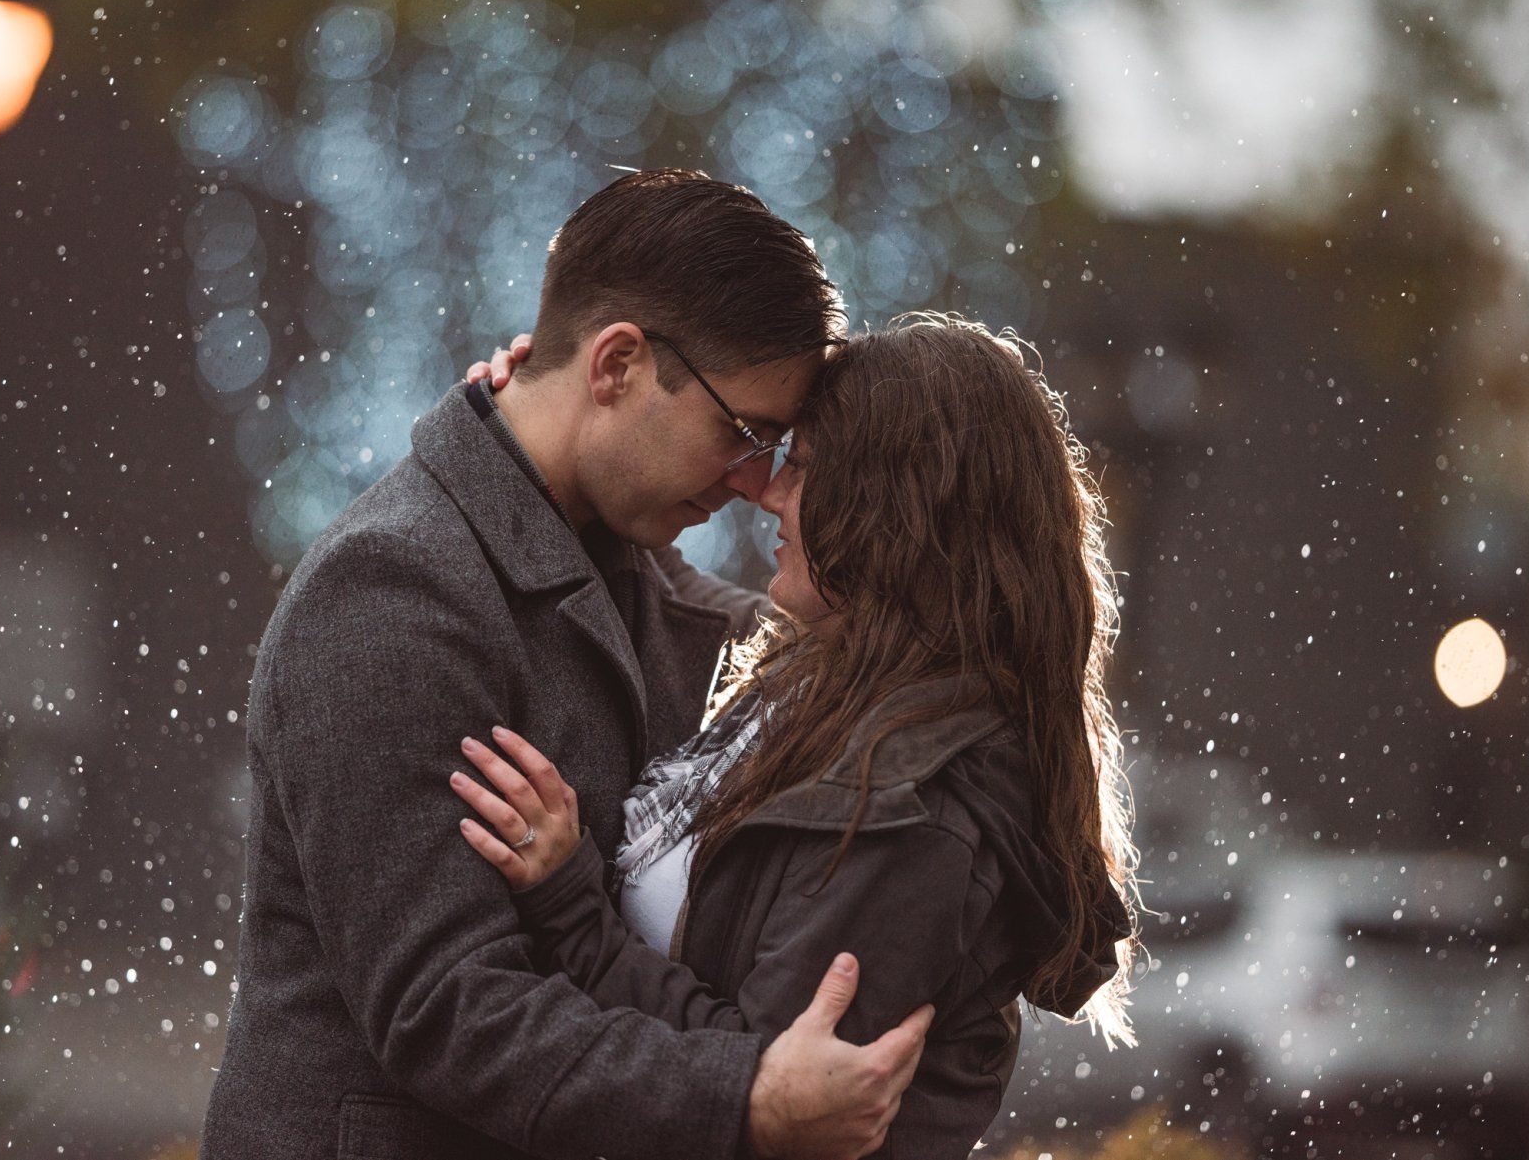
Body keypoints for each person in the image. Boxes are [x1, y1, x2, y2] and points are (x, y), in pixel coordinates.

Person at [199, 170, 934, 1160]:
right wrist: (745, 1098)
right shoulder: (390, 594)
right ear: (617, 366)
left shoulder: (632, 574)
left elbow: (855, 655)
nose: (757, 485)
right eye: (741, 433)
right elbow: (449, 1010)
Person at [449, 313, 1142, 1159]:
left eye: (804, 467)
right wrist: (547, 433)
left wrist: (570, 907)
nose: (770, 491)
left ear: (895, 506)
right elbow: (648, 575)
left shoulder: (915, 816)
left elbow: (764, 1090)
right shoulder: (822, 680)